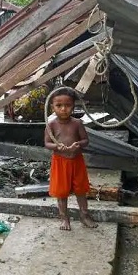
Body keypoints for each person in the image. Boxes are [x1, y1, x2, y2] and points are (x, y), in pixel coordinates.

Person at [44, 87, 98, 231]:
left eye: (67, 105)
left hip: (76, 160)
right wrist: (56, 146)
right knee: (61, 192)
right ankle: (64, 217)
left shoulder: (77, 123)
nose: (63, 109)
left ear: (73, 106)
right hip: (60, 161)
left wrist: (78, 144)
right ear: (52, 107)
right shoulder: (51, 124)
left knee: (81, 190)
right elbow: (47, 143)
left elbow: (86, 141)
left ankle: (84, 215)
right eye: (59, 105)